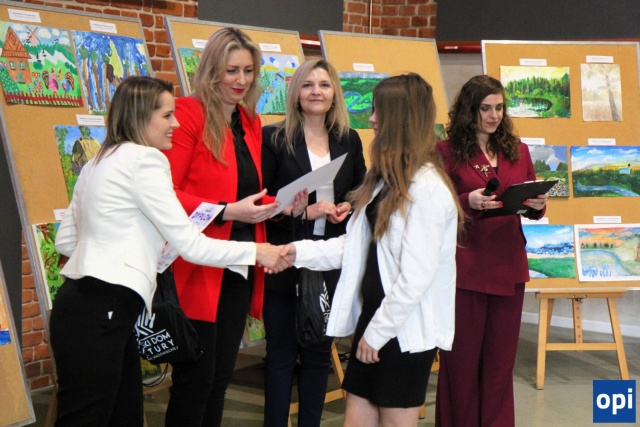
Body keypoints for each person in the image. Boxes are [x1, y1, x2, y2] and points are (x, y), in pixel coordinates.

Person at [49, 76, 289, 427]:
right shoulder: (146, 160)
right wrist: (256, 252)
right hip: (105, 308)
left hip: (83, 304)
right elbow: (191, 245)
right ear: (140, 116)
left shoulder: (98, 160)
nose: (175, 124)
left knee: (123, 416)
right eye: (167, 115)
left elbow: (66, 242)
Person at [282, 73, 463, 427]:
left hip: (402, 330)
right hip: (375, 320)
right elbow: (356, 248)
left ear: (399, 118)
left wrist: (378, 333)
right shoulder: (384, 179)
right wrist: (295, 252)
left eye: (378, 111)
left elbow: (416, 278)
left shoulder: (427, 189)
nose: (372, 118)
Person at [163, 28, 303, 427]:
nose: (241, 80)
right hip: (198, 263)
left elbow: (248, 195)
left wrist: (282, 207)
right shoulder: (188, 114)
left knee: (220, 378)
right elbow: (166, 193)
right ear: (211, 71)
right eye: (231, 71)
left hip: (239, 264)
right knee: (196, 380)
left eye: (248, 70)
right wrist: (225, 212)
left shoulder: (249, 120)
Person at [435, 75, 548, 427]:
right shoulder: (446, 152)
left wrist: (537, 205)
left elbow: (530, 199)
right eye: (485, 108)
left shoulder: (518, 149)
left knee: (500, 364)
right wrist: (465, 201)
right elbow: (434, 206)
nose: (494, 115)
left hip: (508, 265)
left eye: (499, 108)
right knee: (462, 362)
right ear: (469, 110)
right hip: (466, 266)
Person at [261, 58, 367, 426]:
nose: (316, 92)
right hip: (284, 258)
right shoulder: (274, 138)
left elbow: (360, 189)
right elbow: (262, 202)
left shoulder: (349, 139)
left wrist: (347, 206)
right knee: (280, 356)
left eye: (323, 84)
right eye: (308, 85)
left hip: (331, 260)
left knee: (319, 355)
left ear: (334, 92)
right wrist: (304, 212)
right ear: (296, 93)